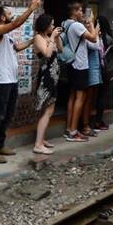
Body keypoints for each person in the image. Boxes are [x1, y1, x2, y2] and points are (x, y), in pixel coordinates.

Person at [0, 0, 40, 163]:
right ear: (2, 17)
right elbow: (16, 24)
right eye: (9, 13)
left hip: (11, 79)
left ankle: (0, 145)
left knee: (8, 114)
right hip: (1, 80)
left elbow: (18, 47)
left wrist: (32, 39)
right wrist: (31, 8)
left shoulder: (7, 37)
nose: (11, 15)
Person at [62, 2, 99, 142]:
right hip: (80, 64)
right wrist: (91, 24)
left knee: (72, 96)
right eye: (81, 10)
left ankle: (68, 128)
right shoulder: (77, 26)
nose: (82, 13)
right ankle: (73, 131)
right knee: (80, 97)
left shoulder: (65, 23)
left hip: (71, 63)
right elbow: (93, 38)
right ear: (75, 11)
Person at [31, 13, 63, 155]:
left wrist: (56, 37)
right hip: (46, 78)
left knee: (48, 110)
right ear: (45, 25)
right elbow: (47, 54)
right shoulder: (38, 37)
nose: (52, 26)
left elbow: (60, 49)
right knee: (48, 110)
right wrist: (51, 38)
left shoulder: (49, 37)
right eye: (51, 24)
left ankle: (41, 139)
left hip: (53, 76)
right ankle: (38, 144)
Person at [90, 15, 113, 131]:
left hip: (97, 69)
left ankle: (93, 121)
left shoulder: (96, 37)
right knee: (102, 96)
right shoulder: (109, 38)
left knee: (94, 96)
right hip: (107, 70)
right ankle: (98, 121)